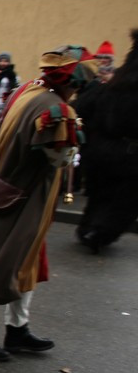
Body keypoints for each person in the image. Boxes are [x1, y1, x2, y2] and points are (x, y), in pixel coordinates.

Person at [0, 45, 89, 361]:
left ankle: (17, 328)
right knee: (1, 268)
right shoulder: (55, 109)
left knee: (25, 263)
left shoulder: (26, 91)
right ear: (71, 82)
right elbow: (58, 157)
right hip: (23, 197)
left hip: (6, 188)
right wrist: (73, 149)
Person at [74, 30, 137, 253]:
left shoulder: (109, 86)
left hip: (100, 151)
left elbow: (80, 107)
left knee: (99, 193)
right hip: (129, 155)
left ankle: (89, 228)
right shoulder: (116, 86)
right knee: (124, 199)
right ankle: (100, 232)